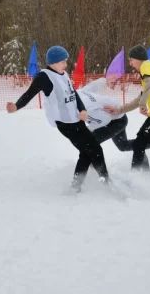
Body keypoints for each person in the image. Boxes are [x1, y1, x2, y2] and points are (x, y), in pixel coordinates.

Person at [6, 45, 109, 192]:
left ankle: (76, 186)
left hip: (77, 120)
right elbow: (29, 94)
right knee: (95, 150)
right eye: (63, 62)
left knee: (88, 152)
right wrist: (16, 106)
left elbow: (74, 93)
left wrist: (82, 109)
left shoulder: (63, 74)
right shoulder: (44, 77)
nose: (65, 65)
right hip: (66, 124)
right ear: (53, 62)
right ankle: (106, 184)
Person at [104, 45, 150, 172]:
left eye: (131, 60)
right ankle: (145, 175)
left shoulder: (146, 65)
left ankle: (135, 175)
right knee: (139, 143)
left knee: (138, 143)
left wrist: (143, 104)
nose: (130, 64)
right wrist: (121, 110)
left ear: (138, 58)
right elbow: (141, 97)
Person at [77, 78, 150, 166]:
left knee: (91, 142)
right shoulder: (78, 93)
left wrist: (89, 128)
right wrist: (105, 80)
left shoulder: (87, 108)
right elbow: (93, 86)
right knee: (123, 145)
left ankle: (96, 168)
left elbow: (104, 119)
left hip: (115, 121)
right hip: (118, 116)